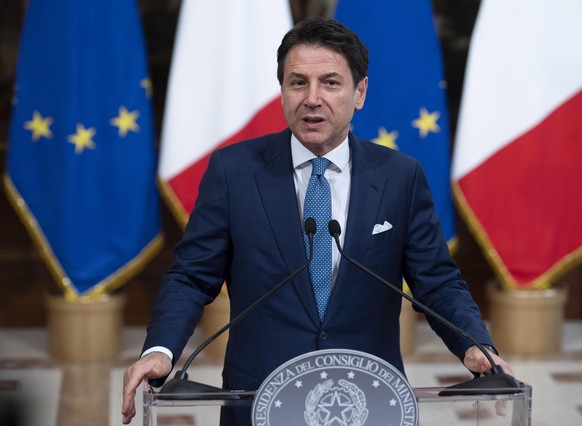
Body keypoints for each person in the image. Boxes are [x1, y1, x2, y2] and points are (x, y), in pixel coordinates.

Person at [122, 17, 513, 425]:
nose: (312, 98)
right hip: (259, 399)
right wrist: (160, 351)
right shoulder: (233, 171)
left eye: (330, 82)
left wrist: (475, 346)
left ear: (359, 92)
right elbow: (191, 276)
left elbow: (436, 280)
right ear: (282, 93)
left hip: (369, 398)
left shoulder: (400, 176)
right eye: (297, 83)